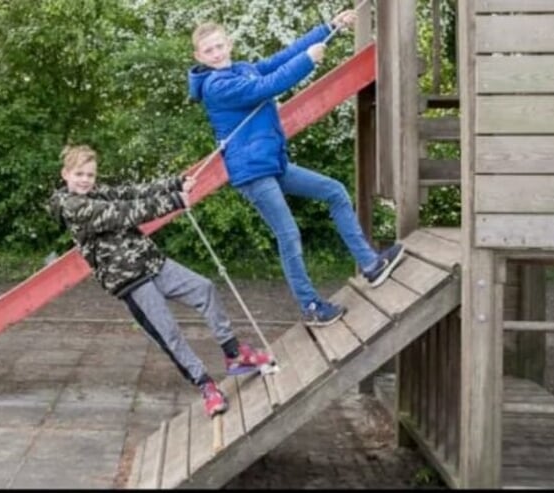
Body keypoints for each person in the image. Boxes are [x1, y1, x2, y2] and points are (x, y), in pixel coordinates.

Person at [187, 10, 405, 328]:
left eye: (220, 46)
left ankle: (371, 264)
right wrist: (308, 61)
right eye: (209, 50)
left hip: (273, 164)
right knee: (289, 234)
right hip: (252, 173)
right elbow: (269, 86)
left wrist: (330, 27)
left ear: (229, 44)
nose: (217, 53)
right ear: (199, 56)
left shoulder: (242, 69)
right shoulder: (217, 85)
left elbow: (282, 57)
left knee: (334, 191)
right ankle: (311, 305)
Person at [48, 144, 273, 418]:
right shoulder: (73, 207)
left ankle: (234, 353)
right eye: (79, 174)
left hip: (152, 263)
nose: (85, 180)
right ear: (65, 175)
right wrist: (174, 201)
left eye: (90, 175)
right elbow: (126, 213)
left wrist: (175, 183)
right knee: (170, 333)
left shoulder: (98, 192)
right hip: (129, 280)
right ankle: (206, 386)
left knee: (204, 289)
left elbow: (134, 192)